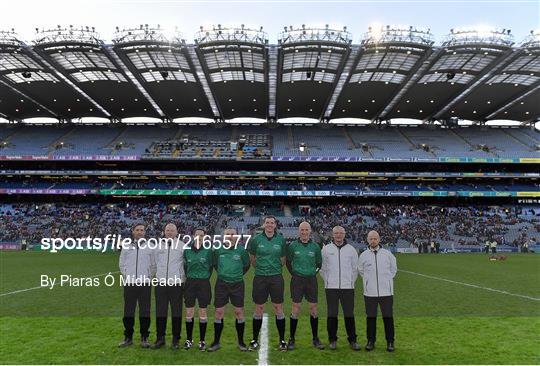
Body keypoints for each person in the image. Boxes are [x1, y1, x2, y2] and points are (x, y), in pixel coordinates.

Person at [248, 215, 288, 351]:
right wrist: (261, 267)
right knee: (259, 308)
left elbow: (283, 259)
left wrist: (273, 268)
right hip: (260, 277)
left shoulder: (281, 240)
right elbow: (252, 258)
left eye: (272, 222)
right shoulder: (256, 240)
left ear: (275, 225)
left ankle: (282, 340)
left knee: (278, 308)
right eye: (267, 222)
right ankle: (254, 339)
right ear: (264, 224)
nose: (270, 224)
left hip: (276, 277)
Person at [207, 228, 250, 352]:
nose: (230, 236)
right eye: (227, 234)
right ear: (223, 236)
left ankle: (241, 342)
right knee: (219, 312)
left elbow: (246, 266)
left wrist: (236, 275)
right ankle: (216, 342)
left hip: (237, 284)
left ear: (237, 236)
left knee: (238, 312)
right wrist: (223, 273)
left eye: (232, 234)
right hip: (221, 284)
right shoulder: (218, 250)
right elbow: (215, 264)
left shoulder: (242, 250)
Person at [320, 226, 360, 351]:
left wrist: (350, 282)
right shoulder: (326, 249)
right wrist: (328, 281)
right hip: (331, 287)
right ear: (333, 234)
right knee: (332, 314)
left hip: (347, 288)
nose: (338, 235)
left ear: (344, 234)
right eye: (336, 233)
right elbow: (322, 268)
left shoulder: (351, 250)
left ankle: (352, 340)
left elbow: (355, 269)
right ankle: (332, 340)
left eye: (340, 233)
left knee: (349, 314)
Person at [286, 222, 324, 350]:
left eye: (306, 230)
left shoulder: (315, 247)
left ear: (310, 231)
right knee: (296, 308)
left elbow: (319, 263)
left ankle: (315, 338)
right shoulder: (292, 246)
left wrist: (312, 272)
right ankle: (291, 338)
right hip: (297, 280)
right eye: (302, 230)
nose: (304, 232)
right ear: (299, 231)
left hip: (311, 280)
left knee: (313, 309)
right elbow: (288, 263)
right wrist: (296, 274)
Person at [358, 230, 397, 352]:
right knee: (371, 318)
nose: (373, 240)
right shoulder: (363, 255)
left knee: (388, 318)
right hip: (370, 293)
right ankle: (370, 341)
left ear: (379, 239)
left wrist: (385, 281)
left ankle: (390, 342)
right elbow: (361, 271)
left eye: (375, 238)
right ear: (368, 240)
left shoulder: (387, 254)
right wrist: (369, 282)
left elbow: (393, 269)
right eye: (371, 238)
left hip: (386, 293)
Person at [118, 223, 156, 348]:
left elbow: (153, 265)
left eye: (142, 230)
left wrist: (148, 276)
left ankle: (144, 338)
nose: (140, 232)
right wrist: (127, 275)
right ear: (133, 231)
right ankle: (128, 337)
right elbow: (122, 263)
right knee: (128, 311)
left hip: (144, 283)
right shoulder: (127, 246)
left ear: (145, 232)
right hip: (129, 283)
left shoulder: (150, 246)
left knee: (145, 311)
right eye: (137, 230)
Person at [152, 222, 185, 349]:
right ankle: (160, 338)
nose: (169, 232)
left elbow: (184, 264)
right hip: (161, 283)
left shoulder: (182, 246)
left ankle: (176, 339)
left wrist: (182, 280)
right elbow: (154, 263)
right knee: (160, 311)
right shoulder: (158, 246)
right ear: (164, 232)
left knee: (176, 312)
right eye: (167, 230)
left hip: (176, 284)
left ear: (176, 232)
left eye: (172, 230)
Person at [183, 228, 213, 351]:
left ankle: (202, 341)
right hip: (190, 283)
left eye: (202, 235)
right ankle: (189, 340)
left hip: (203, 283)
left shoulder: (208, 251)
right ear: (193, 236)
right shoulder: (187, 250)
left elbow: (210, 267)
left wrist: (203, 277)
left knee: (202, 312)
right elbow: (185, 267)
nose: (199, 237)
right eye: (197, 235)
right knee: (189, 312)